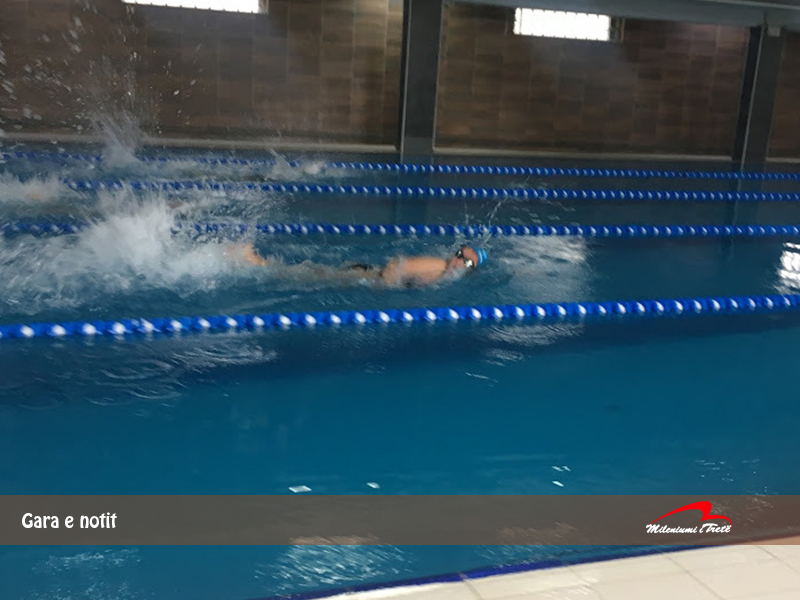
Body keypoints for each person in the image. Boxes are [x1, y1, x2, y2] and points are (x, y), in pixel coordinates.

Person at [228, 242, 488, 287]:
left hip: (366, 274)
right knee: (306, 278)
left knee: (310, 273)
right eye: (458, 254)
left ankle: (253, 260)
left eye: (465, 261)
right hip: (366, 276)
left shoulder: (445, 274)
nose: (458, 260)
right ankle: (253, 261)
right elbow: (396, 265)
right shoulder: (438, 265)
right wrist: (385, 286)